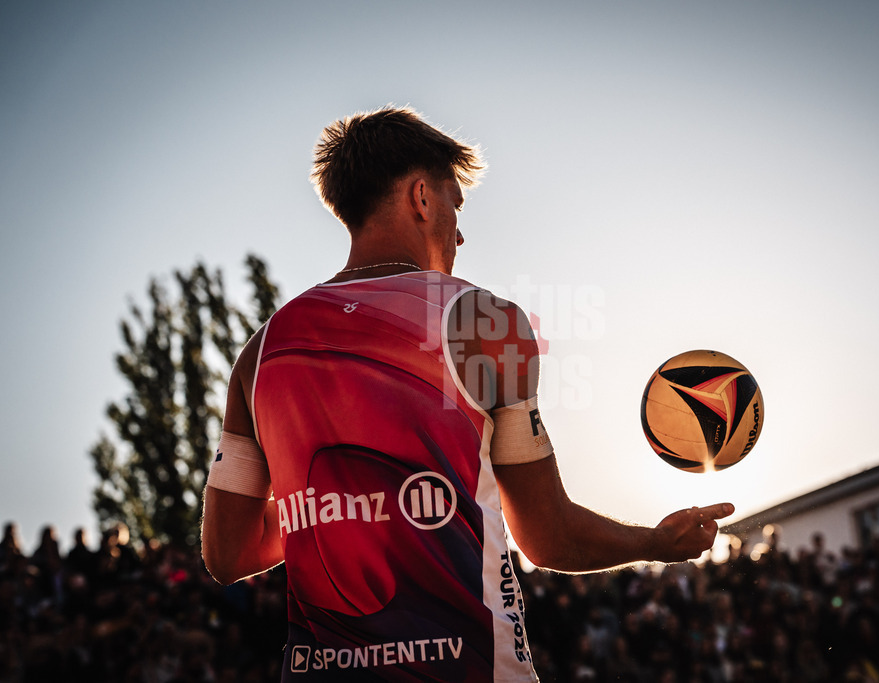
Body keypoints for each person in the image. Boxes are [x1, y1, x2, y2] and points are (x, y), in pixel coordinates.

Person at [201, 106, 734, 682]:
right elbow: (548, 538)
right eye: (455, 203)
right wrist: (655, 541)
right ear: (422, 197)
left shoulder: (262, 351)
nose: (459, 231)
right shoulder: (483, 321)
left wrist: (340, 501)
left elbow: (227, 556)